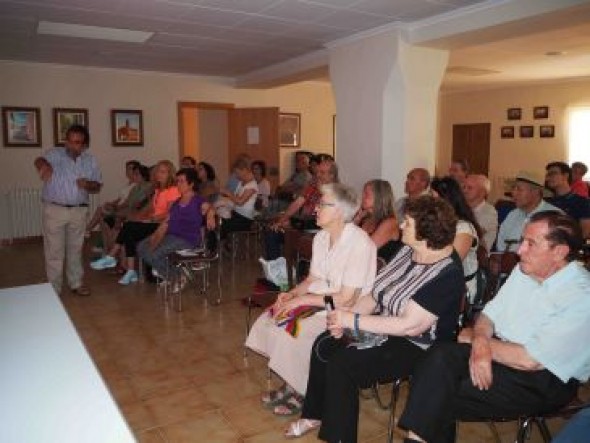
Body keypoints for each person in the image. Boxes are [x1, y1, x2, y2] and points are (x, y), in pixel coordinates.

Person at [398, 211, 590, 443]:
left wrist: (478, 341)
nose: (520, 251)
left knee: (434, 387)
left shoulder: (581, 296)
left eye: (531, 244)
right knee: (438, 360)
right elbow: (489, 315)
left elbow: (530, 360)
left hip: (543, 379)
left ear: (560, 252)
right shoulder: (524, 270)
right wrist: (480, 342)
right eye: (522, 241)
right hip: (499, 352)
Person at [285, 196, 464, 441]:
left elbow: (410, 325)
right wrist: (345, 319)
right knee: (324, 345)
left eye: (408, 224)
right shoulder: (407, 251)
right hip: (388, 326)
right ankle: (315, 413)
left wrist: (351, 321)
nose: (401, 226)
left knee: (343, 364)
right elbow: (376, 295)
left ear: (425, 231)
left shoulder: (447, 273)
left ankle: (339, 437)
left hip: (420, 346)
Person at [245, 183, 376, 417]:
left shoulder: (360, 243)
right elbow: (313, 278)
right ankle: (292, 382)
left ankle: (303, 391)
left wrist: (301, 300)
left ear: (338, 210)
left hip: (344, 311)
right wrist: (292, 294)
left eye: (321, 203)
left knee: (294, 331)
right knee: (272, 318)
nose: (315, 208)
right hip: (317, 301)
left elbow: (346, 298)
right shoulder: (322, 238)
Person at [34, 124, 102, 296]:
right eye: (69, 141)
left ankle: (76, 283)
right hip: (55, 209)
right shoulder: (55, 154)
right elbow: (39, 160)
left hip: (78, 211)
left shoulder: (90, 160)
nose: (72, 146)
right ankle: (53, 289)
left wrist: (88, 184)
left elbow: (97, 186)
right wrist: (44, 167)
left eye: (77, 142)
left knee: (75, 249)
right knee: (54, 251)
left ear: (84, 144)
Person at [90, 160, 180, 285]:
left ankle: (113, 258)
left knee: (129, 227)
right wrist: (140, 218)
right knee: (129, 229)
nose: (159, 174)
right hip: (154, 223)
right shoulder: (159, 190)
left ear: (170, 174)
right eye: (158, 171)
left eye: (163, 172)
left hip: (164, 225)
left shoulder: (173, 190)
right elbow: (151, 209)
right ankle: (130, 270)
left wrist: (151, 219)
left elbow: (170, 214)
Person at [137, 168, 215, 291]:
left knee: (154, 254)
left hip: (188, 240)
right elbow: (165, 223)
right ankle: (171, 274)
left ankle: (177, 276)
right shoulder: (176, 203)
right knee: (141, 247)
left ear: (191, 184)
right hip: (172, 236)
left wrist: (210, 214)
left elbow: (209, 207)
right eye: (177, 181)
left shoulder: (197, 200)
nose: (178, 184)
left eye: (182, 181)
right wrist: (154, 237)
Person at [264, 159, 338, 260]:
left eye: (322, 173)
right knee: (272, 232)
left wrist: (321, 190)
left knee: (294, 237)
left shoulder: (337, 191)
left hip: (318, 230)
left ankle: (298, 269)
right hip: (303, 225)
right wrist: (282, 221)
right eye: (317, 172)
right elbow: (298, 203)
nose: (318, 175)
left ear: (332, 175)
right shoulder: (313, 183)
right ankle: (275, 272)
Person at [431, 177, 482, 302]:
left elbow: (449, 265)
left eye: (433, 198)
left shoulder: (463, 228)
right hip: (436, 280)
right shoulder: (435, 223)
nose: (429, 203)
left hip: (461, 288)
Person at [496, 171, 560, 252]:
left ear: (535, 192)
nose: (513, 193)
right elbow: (501, 246)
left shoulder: (554, 216)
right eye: (513, 188)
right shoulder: (512, 215)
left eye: (519, 189)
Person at [85, 160, 139, 238]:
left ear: (136, 170)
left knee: (100, 209)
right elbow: (120, 198)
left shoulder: (136, 185)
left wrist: (115, 206)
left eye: (130, 168)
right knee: (101, 214)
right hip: (119, 207)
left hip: (125, 209)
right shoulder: (128, 184)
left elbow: (129, 202)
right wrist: (111, 203)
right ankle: (99, 240)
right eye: (127, 168)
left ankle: (88, 229)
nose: (127, 171)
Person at [353, 179, 401, 262]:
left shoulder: (390, 222)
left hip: (380, 269)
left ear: (379, 197)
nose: (362, 198)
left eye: (366, 194)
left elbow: (366, 249)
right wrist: (357, 219)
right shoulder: (365, 218)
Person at [545, 161, 590, 238]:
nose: (548, 178)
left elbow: (585, 233)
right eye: (548, 175)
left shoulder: (582, 202)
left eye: (553, 173)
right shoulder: (546, 202)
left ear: (565, 176)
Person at [219, 156, 258, 239]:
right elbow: (235, 199)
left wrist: (228, 193)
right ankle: (218, 247)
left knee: (222, 226)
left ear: (244, 170)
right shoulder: (241, 182)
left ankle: (219, 248)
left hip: (244, 219)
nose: (236, 176)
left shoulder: (252, 185)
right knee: (217, 221)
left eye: (237, 173)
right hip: (236, 215)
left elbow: (240, 202)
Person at [462, 174, 498, 251]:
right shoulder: (462, 209)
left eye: (469, 188)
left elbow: (472, 235)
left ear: (482, 192)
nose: (464, 191)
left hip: (477, 256)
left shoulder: (489, 212)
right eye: (464, 187)